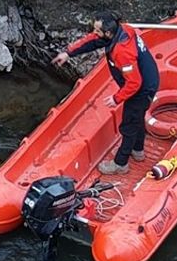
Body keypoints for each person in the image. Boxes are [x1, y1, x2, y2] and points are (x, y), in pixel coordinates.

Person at [52, 12, 160, 175]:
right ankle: (138, 150)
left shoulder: (122, 52)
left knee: (129, 124)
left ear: (108, 33)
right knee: (136, 117)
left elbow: (134, 83)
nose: (94, 33)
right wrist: (69, 53)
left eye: (97, 30)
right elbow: (93, 41)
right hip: (146, 78)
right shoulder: (121, 30)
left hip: (142, 88)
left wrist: (117, 98)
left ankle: (120, 163)